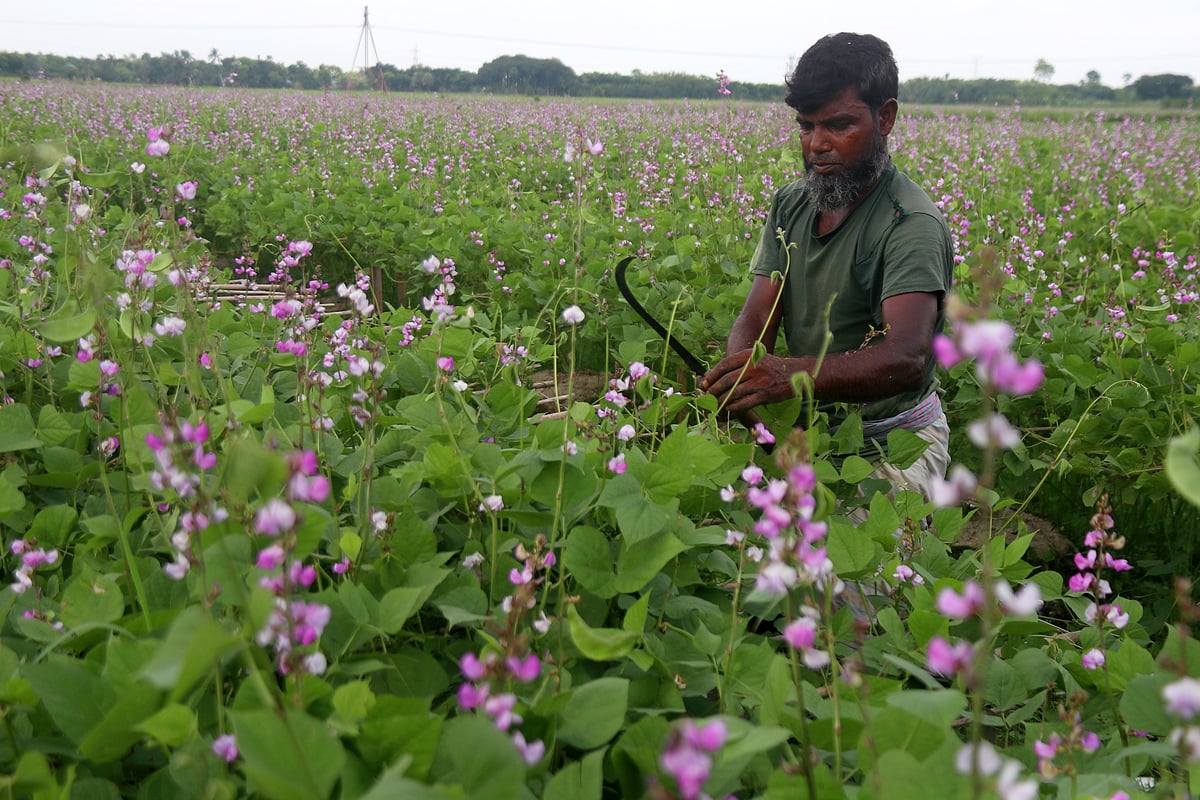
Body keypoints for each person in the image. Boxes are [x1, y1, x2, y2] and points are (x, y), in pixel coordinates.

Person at [699, 32, 954, 500]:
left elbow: (907, 358)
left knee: (842, 567)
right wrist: (744, 375)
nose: (817, 144)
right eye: (805, 126)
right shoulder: (793, 202)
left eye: (838, 125)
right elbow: (758, 315)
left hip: (890, 446)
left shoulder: (909, 223)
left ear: (885, 117)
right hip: (804, 435)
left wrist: (786, 377)